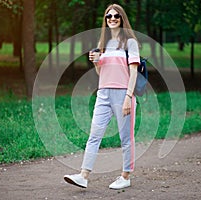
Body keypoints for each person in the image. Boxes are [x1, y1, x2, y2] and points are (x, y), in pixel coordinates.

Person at [64, 3, 140, 190]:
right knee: (94, 136)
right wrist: (97, 63)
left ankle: (125, 176)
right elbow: (102, 73)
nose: (112, 18)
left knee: (126, 138)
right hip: (103, 94)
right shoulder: (103, 44)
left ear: (122, 18)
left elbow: (134, 72)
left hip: (124, 94)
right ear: (105, 19)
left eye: (116, 16)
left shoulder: (130, 43)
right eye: (108, 16)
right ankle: (83, 175)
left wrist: (128, 98)